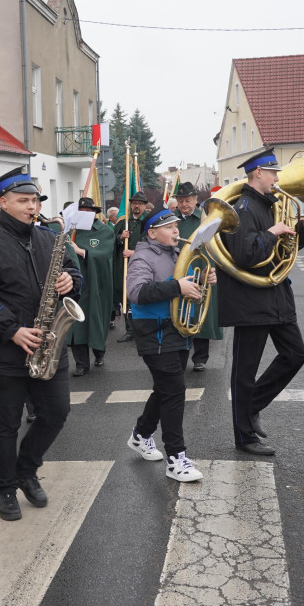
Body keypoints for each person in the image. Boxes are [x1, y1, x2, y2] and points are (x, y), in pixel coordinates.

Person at [0, 165, 82, 521]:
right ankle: (4, 488)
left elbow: (76, 273)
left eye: (35, 200)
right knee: (6, 423)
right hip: (5, 350)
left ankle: (25, 469)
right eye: (24, 200)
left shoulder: (50, 238)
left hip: (48, 343)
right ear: (4, 202)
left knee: (56, 413)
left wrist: (70, 280)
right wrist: (12, 329)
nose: (32, 206)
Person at [217, 147, 304, 456]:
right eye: (274, 172)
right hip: (250, 300)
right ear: (258, 173)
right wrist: (273, 231)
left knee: (295, 354)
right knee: (244, 372)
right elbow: (246, 254)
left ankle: (252, 406)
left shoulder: (270, 203)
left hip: (276, 296)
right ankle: (244, 436)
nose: (279, 177)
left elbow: (287, 247)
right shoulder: (244, 207)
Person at [125, 206, 213, 482]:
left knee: (165, 389)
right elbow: (136, 292)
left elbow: (185, 285)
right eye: (168, 227)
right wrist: (177, 286)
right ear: (152, 233)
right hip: (155, 331)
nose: (176, 230)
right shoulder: (142, 257)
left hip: (176, 329)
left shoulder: (176, 254)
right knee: (174, 391)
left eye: (176, 226)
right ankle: (177, 459)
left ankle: (141, 435)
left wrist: (202, 279)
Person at [174, 182, 223, 371]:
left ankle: (201, 357)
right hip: (179, 271)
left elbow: (211, 245)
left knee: (202, 312)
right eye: (180, 200)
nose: (184, 204)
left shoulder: (204, 219)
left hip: (200, 267)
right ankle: (180, 355)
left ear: (196, 200)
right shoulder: (173, 219)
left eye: (187, 200)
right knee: (181, 313)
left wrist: (208, 270)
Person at [67, 197, 115, 376]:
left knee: (95, 321)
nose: (85, 214)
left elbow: (104, 255)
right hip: (75, 284)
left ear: (95, 213)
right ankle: (81, 363)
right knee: (76, 324)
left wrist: (79, 250)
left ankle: (98, 351)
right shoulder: (71, 230)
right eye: (81, 211)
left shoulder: (104, 231)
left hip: (96, 283)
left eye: (88, 211)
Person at [113, 191, 148, 342]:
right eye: (134, 203)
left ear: (145, 206)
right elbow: (111, 241)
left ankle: (143, 329)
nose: (137, 206)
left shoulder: (149, 222)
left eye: (140, 204)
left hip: (143, 266)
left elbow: (153, 243)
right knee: (126, 297)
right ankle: (129, 329)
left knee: (141, 295)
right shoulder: (123, 222)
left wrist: (135, 252)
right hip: (125, 266)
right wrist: (121, 237)